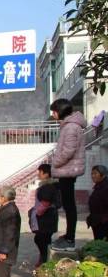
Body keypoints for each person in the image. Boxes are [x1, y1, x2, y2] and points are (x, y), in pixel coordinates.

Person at [49, 99, 87, 252]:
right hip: (68, 170)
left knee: (69, 206)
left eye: (54, 111)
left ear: (61, 110)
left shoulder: (70, 127)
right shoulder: (69, 125)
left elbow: (68, 151)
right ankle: (68, 236)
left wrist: (55, 162)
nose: (53, 114)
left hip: (68, 170)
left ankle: (70, 238)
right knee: (67, 204)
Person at [29, 164, 59, 268]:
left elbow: (45, 202)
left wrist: (37, 213)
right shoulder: (47, 185)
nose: (38, 174)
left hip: (46, 219)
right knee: (43, 239)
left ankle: (45, 261)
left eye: (40, 172)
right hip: (47, 218)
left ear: (46, 174)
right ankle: (43, 258)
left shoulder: (48, 186)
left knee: (41, 239)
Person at [87, 165, 108, 240]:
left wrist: (103, 219)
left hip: (103, 223)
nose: (93, 176)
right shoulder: (98, 186)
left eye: (95, 173)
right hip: (97, 222)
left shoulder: (105, 187)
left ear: (103, 174)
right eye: (92, 174)